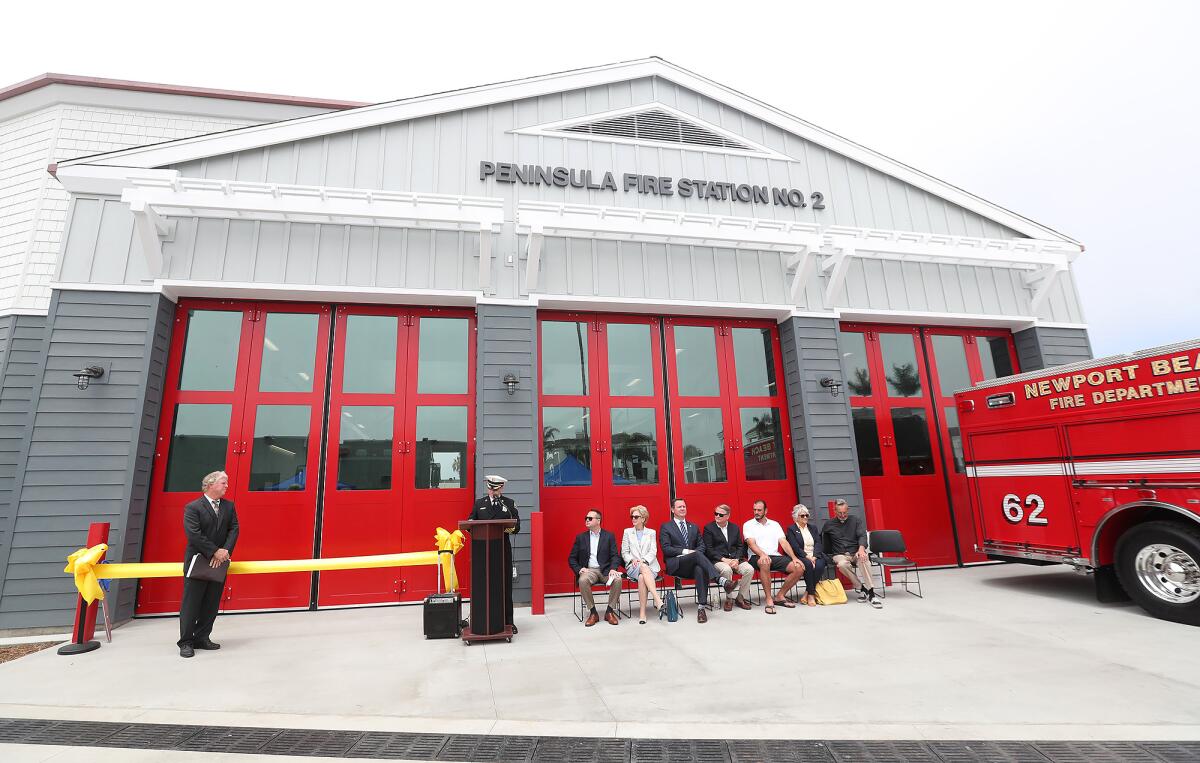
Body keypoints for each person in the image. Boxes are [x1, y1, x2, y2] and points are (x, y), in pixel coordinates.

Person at [178, 470, 239, 658]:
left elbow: (234, 529)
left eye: (226, 483)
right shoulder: (193, 507)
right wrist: (215, 551)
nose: (226, 486)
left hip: (219, 562)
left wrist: (224, 552)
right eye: (223, 483)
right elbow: (194, 534)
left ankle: (202, 637)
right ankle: (186, 642)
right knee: (192, 603)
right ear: (210, 485)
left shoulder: (229, 506)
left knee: (212, 602)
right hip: (198, 560)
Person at [659, 498, 734, 623]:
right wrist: (687, 552)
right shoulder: (666, 527)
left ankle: (701, 608)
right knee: (697, 555)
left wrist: (694, 553)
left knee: (700, 568)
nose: (683, 508)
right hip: (676, 564)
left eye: (684, 506)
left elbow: (702, 546)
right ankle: (721, 580)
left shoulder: (693, 527)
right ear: (673, 510)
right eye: (679, 507)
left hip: (693, 565)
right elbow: (666, 549)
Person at [467, 474, 522, 632]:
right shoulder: (480, 504)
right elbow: (471, 522)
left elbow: (516, 526)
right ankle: (481, 619)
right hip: (482, 552)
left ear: (501, 488)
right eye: (490, 488)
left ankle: (508, 622)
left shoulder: (508, 504)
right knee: (482, 584)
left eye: (495, 489)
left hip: (501, 549)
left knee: (505, 585)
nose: (492, 491)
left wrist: (505, 526)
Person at [742, 499, 803, 614]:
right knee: (765, 562)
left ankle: (780, 596)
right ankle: (769, 599)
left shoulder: (774, 524)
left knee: (798, 567)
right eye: (754, 510)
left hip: (774, 556)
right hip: (756, 556)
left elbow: (783, 542)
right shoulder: (748, 524)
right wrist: (762, 554)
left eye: (759, 510)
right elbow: (751, 543)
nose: (756, 512)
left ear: (766, 511)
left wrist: (794, 558)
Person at [568, 509, 623, 626]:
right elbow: (571, 558)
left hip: (605, 570)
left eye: (590, 518)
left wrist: (613, 569)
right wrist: (579, 569)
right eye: (586, 518)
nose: (587, 520)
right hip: (589, 570)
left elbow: (615, 556)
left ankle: (609, 611)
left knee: (618, 579)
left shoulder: (609, 536)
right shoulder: (581, 538)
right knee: (582, 580)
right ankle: (593, 613)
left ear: (598, 521)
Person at [827, 499, 882, 609]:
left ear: (848, 510)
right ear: (835, 511)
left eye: (845, 512)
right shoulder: (829, 525)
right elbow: (822, 541)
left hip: (856, 551)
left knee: (864, 559)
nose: (842, 515)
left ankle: (871, 593)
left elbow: (862, 536)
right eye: (840, 513)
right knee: (842, 564)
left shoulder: (856, 520)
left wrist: (861, 549)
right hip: (840, 553)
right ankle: (861, 588)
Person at [702, 503, 754, 611]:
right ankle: (729, 599)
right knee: (726, 570)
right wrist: (725, 560)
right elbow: (709, 550)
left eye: (720, 515)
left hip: (735, 559)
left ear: (727, 516)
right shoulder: (708, 528)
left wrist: (735, 559)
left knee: (749, 569)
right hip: (718, 560)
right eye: (715, 513)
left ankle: (740, 598)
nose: (717, 516)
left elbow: (740, 546)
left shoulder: (734, 527)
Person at [622, 505, 664, 624]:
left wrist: (644, 561)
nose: (633, 519)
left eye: (636, 516)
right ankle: (657, 600)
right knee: (642, 569)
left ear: (643, 518)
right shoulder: (627, 532)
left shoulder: (651, 532)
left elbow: (653, 551)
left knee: (642, 577)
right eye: (632, 516)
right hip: (633, 567)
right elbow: (624, 552)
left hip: (650, 566)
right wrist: (632, 560)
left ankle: (642, 613)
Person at [785, 504, 826, 606]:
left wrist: (815, 556)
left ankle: (807, 592)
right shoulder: (791, 529)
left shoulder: (813, 528)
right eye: (802, 516)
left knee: (820, 565)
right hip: (801, 556)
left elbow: (818, 543)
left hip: (815, 555)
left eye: (807, 515)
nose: (805, 517)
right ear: (796, 517)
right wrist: (807, 556)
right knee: (808, 565)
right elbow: (795, 547)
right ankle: (811, 595)